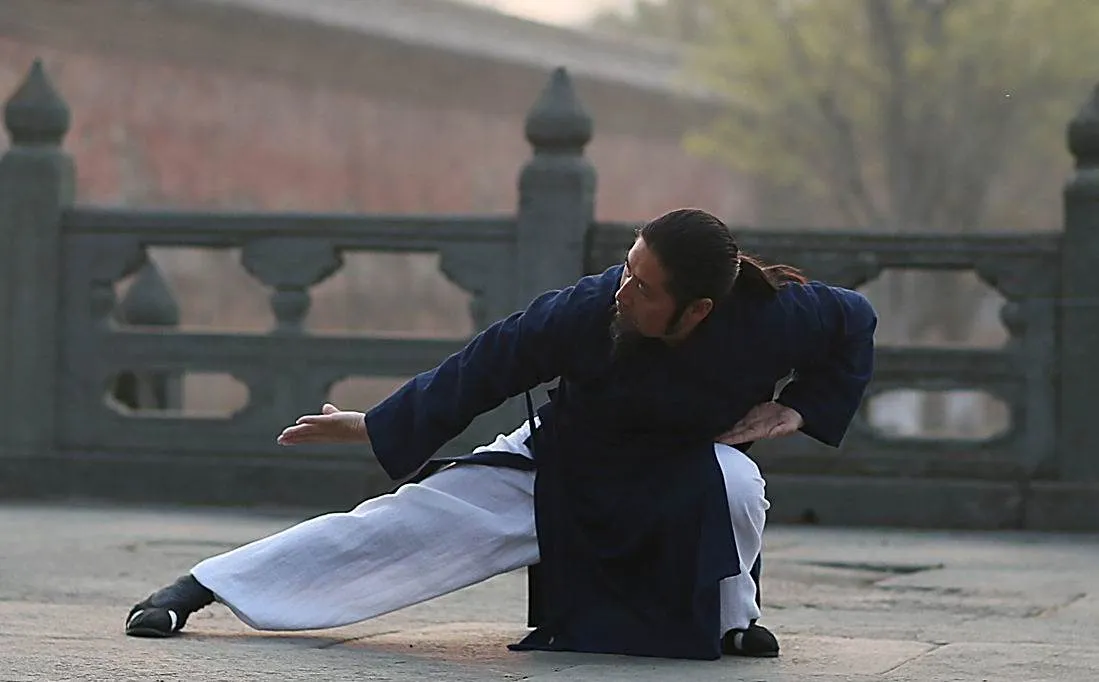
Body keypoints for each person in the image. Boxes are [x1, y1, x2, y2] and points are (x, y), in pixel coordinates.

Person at [124, 208, 877, 661]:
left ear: (699, 309)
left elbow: (856, 322)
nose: (624, 289)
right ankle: (205, 586)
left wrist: (799, 410)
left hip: (681, 464)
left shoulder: (778, 314)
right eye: (626, 268)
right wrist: (374, 424)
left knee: (739, 484)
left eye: (645, 288)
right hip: (569, 464)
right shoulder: (586, 310)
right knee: (410, 523)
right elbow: (484, 365)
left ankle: (733, 624)